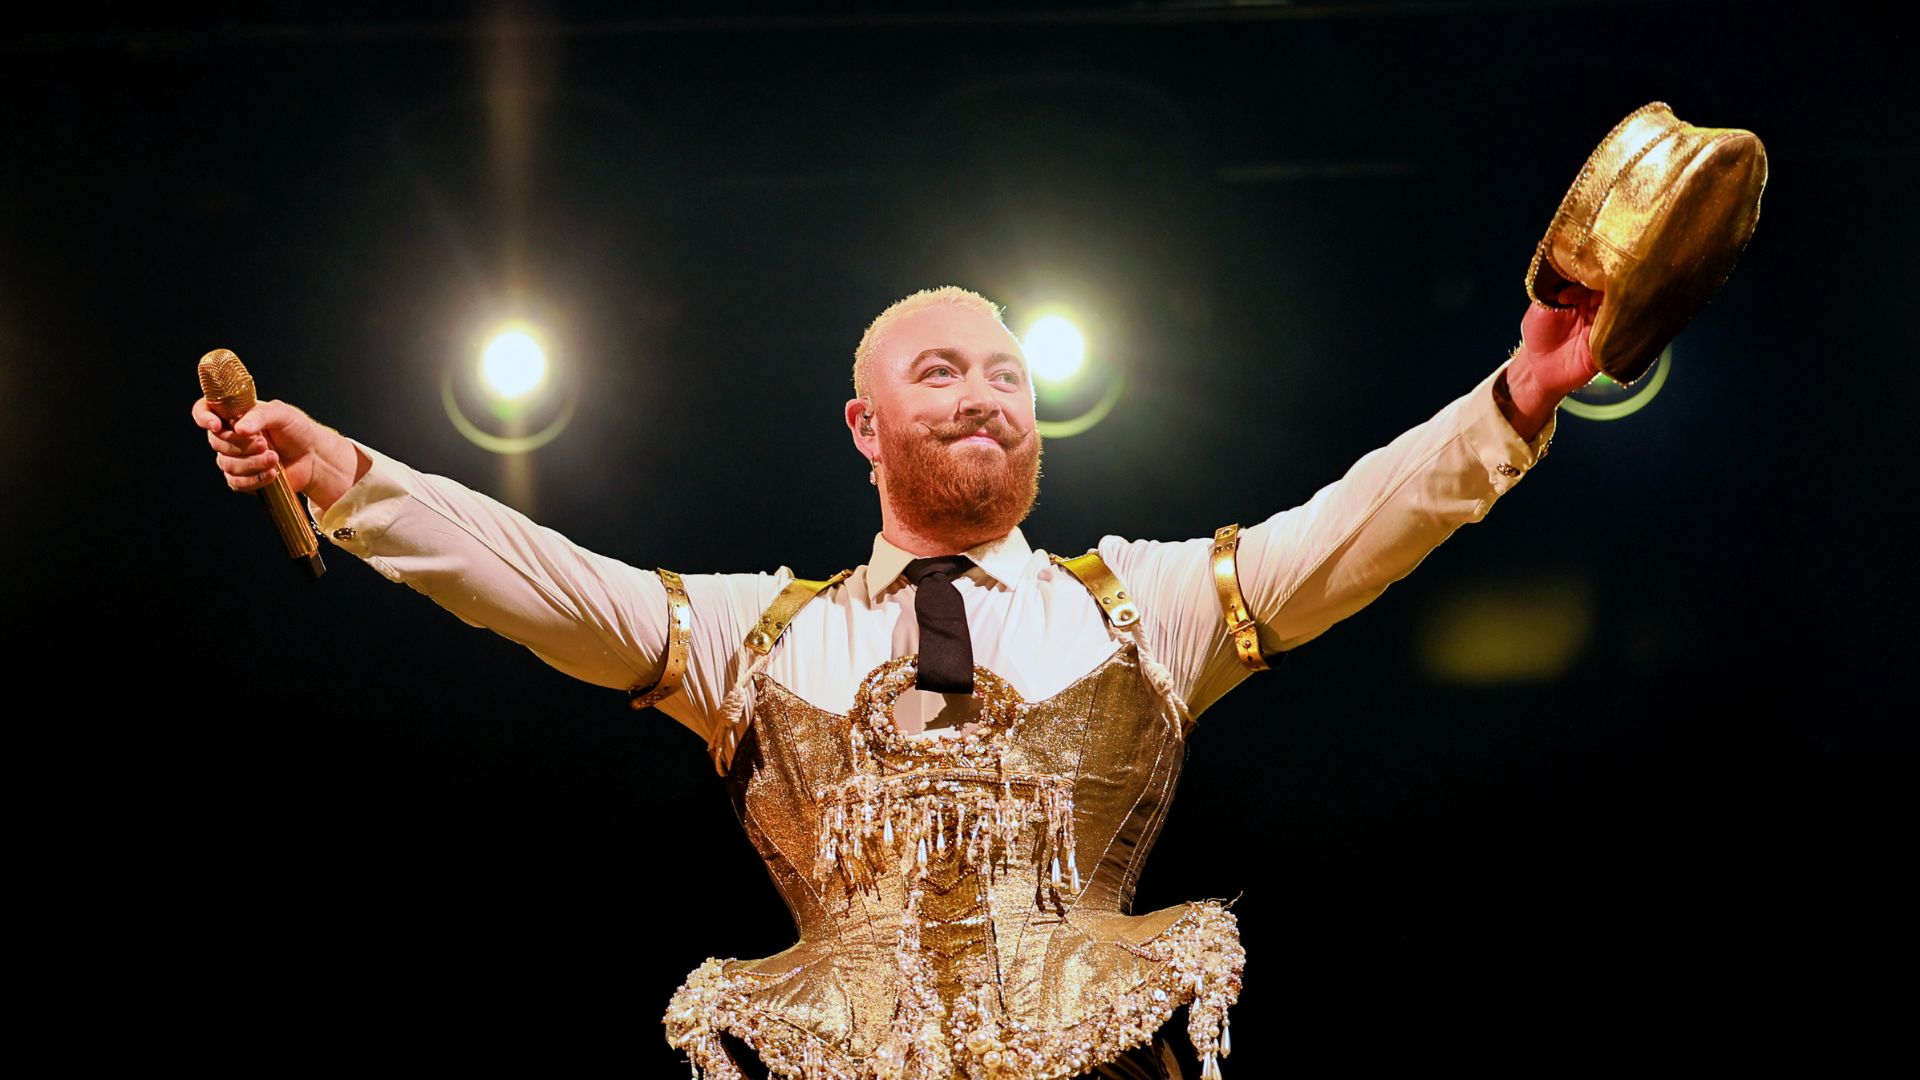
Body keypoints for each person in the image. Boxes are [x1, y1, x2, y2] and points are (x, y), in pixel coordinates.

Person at [193, 283, 1600, 1079]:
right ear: (868, 425)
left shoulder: (1146, 609)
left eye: (1006, 375)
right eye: (941, 373)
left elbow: (1361, 523)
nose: (985, 393)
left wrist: (1519, 396)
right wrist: (346, 477)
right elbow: (540, 578)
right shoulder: (756, 636)